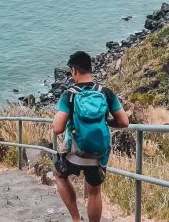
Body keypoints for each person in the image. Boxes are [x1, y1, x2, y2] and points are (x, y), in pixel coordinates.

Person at [52, 50, 129, 222]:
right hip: (98, 154)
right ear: (90, 68)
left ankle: (76, 219)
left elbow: (57, 128)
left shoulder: (69, 95)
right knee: (94, 191)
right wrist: (107, 121)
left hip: (75, 152)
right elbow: (124, 122)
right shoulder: (106, 92)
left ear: (74, 70)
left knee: (59, 174)